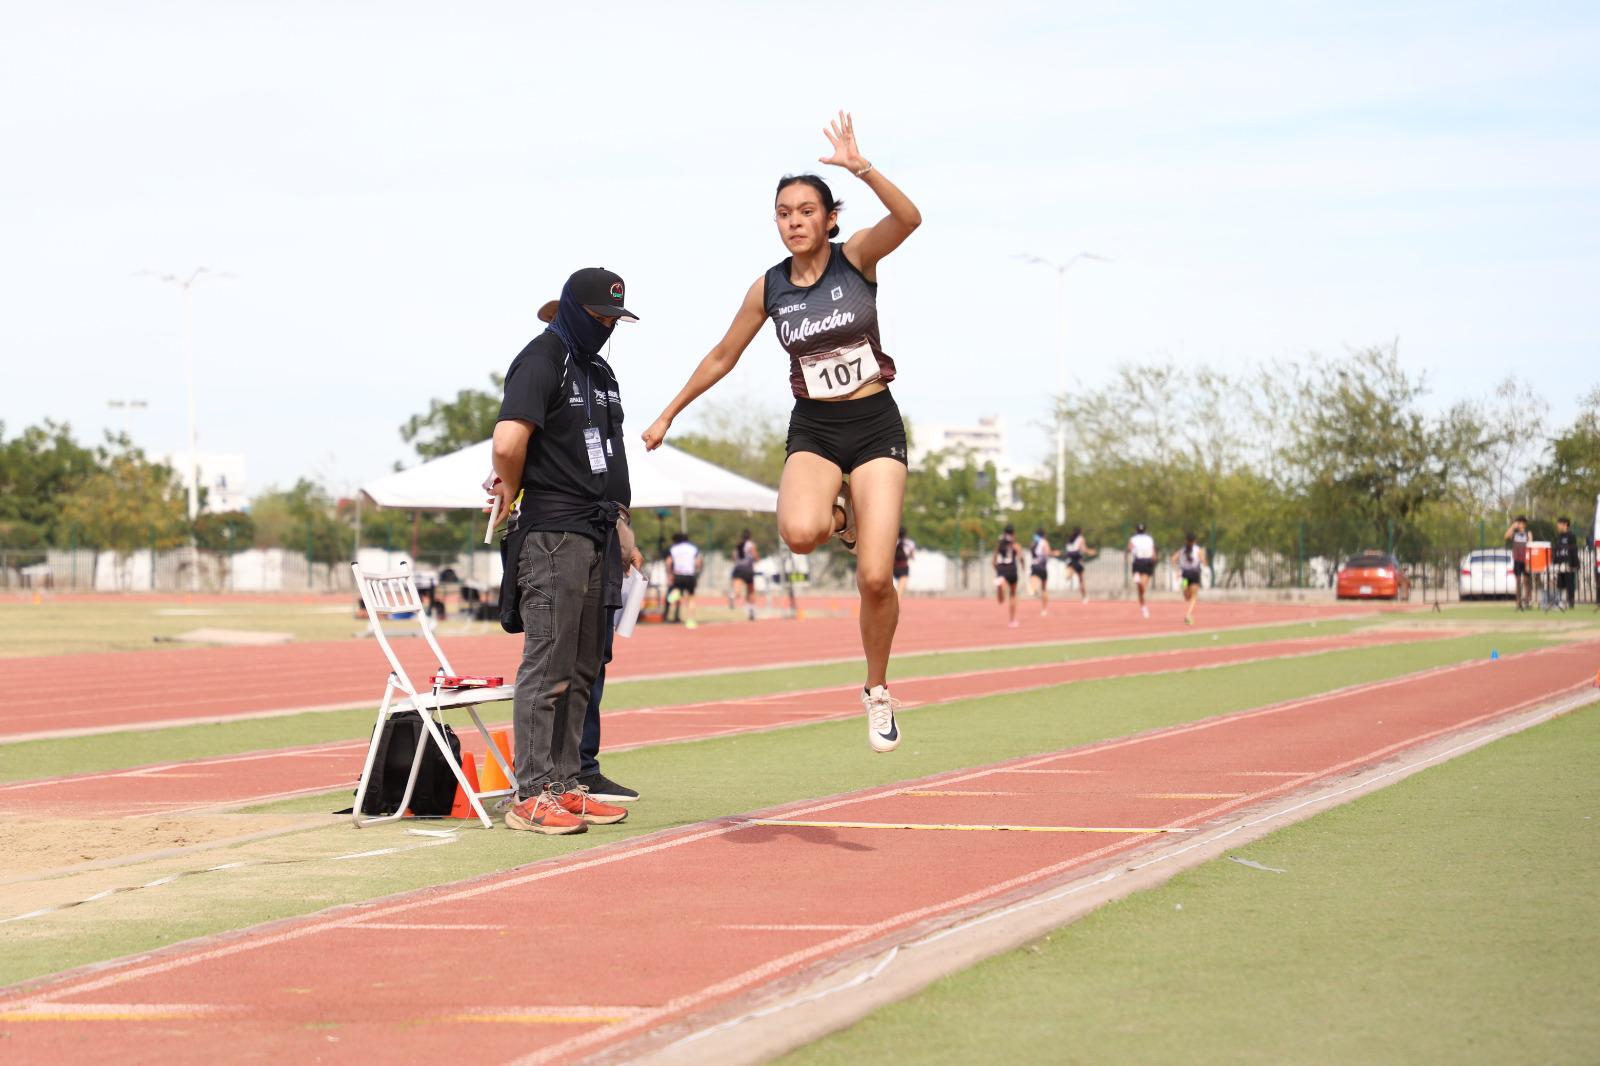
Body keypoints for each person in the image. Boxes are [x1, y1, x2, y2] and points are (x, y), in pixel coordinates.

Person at [641, 112, 922, 753]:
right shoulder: (768, 289)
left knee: (876, 578)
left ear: (829, 218)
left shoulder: (857, 260)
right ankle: (841, 517)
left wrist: (862, 168)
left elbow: (910, 220)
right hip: (816, 428)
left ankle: (877, 690)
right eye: (783, 213)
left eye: (806, 210)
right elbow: (721, 356)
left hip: (874, 423)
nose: (794, 221)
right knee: (799, 535)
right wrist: (668, 414)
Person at [488, 267, 637, 835]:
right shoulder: (542, 359)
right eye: (599, 317)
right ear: (572, 310)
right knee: (547, 663)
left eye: (614, 320)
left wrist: (622, 529)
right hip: (553, 533)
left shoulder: (600, 371)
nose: (607, 328)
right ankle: (530, 793)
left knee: (581, 666)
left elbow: (609, 459)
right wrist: (510, 484)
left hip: (597, 531)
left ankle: (566, 784)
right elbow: (508, 440)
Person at [665, 531, 702, 625]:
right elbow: (698, 562)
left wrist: (669, 574)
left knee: (677, 589)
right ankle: (690, 621)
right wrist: (697, 569)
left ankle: (676, 594)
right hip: (690, 574)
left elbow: (668, 562)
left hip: (678, 574)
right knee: (691, 598)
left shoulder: (674, 549)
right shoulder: (693, 548)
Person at [1171, 532, 1206, 626]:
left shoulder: (1182, 550)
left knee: (1186, 596)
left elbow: (1173, 559)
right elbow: (1203, 561)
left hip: (1184, 575)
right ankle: (1188, 614)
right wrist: (1204, 562)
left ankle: (1188, 614)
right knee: (1193, 596)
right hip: (1195, 573)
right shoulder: (1198, 550)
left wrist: (1177, 570)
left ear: (1186, 540)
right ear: (1194, 541)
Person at [994, 523, 1024, 628]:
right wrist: (1023, 567)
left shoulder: (1000, 544)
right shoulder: (1015, 545)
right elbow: (1021, 558)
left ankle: (1001, 584)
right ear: (1013, 534)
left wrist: (997, 570)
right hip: (1012, 570)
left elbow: (994, 560)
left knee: (1000, 600)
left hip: (1001, 569)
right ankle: (1012, 621)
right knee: (1012, 595)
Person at [729, 528, 761, 620]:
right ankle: (751, 611)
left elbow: (734, 557)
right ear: (750, 536)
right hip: (748, 570)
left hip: (738, 569)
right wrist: (756, 559)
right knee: (751, 591)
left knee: (737, 591)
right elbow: (755, 555)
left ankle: (732, 596)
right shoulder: (750, 544)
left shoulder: (738, 545)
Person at [1128, 523, 1157, 618]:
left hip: (1139, 561)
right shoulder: (1149, 539)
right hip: (1146, 561)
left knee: (1141, 589)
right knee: (1143, 588)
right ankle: (1144, 608)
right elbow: (1153, 552)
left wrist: (1131, 552)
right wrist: (1154, 559)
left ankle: (1143, 607)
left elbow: (1129, 548)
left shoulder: (1134, 538)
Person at [1062, 526, 1097, 604]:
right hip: (1077, 559)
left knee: (1070, 570)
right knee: (1081, 580)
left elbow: (1068, 549)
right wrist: (1091, 552)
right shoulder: (1081, 538)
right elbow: (1084, 549)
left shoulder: (1069, 539)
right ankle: (1084, 597)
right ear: (1080, 532)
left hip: (1069, 559)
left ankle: (1068, 574)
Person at [1505, 515, 1532, 610]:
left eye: (1522, 523)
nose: (1520, 525)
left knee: (1527, 581)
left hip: (1526, 560)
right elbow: (1506, 536)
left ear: (1525, 524)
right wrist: (1512, 526)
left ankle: (1527, 601)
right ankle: (1518, 602)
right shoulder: (1514, 533)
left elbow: (1530, 545)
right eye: (1519, 523)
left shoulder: (1528, 533)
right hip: (1517, 560)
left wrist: (1529, 562)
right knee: (1518, 581)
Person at [1552, 516, 1578, 610]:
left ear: (1565, 524)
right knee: (1560, 584)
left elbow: (1574, 550)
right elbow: (1556, 550)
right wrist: (1554, 563)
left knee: (1569, 584)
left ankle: (1571, 603)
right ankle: (1560, 602)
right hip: (1559, 564)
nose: (1558, 527)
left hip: (1568, 564)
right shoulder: (1558, 537)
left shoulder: (1571, 536)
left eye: (1559, 524)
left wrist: (1574, 564)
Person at [1028, 527, 1054, 616]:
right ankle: (1044, 609)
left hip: (1034, 566)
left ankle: (1033, 589)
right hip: (1042, 567)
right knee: (1044, 589)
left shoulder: (1033, 542)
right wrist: (1054, 553)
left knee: (1033, 578)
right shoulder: (1044, 542)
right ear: (1044, 535)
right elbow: (1047, 553)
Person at [893, 527, 916, 597]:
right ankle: (896, 607)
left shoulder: (892, 542)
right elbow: (912, 557)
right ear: (906, 534)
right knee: (899, 592)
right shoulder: (910, 543)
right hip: (903, 567)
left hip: (893, 568)